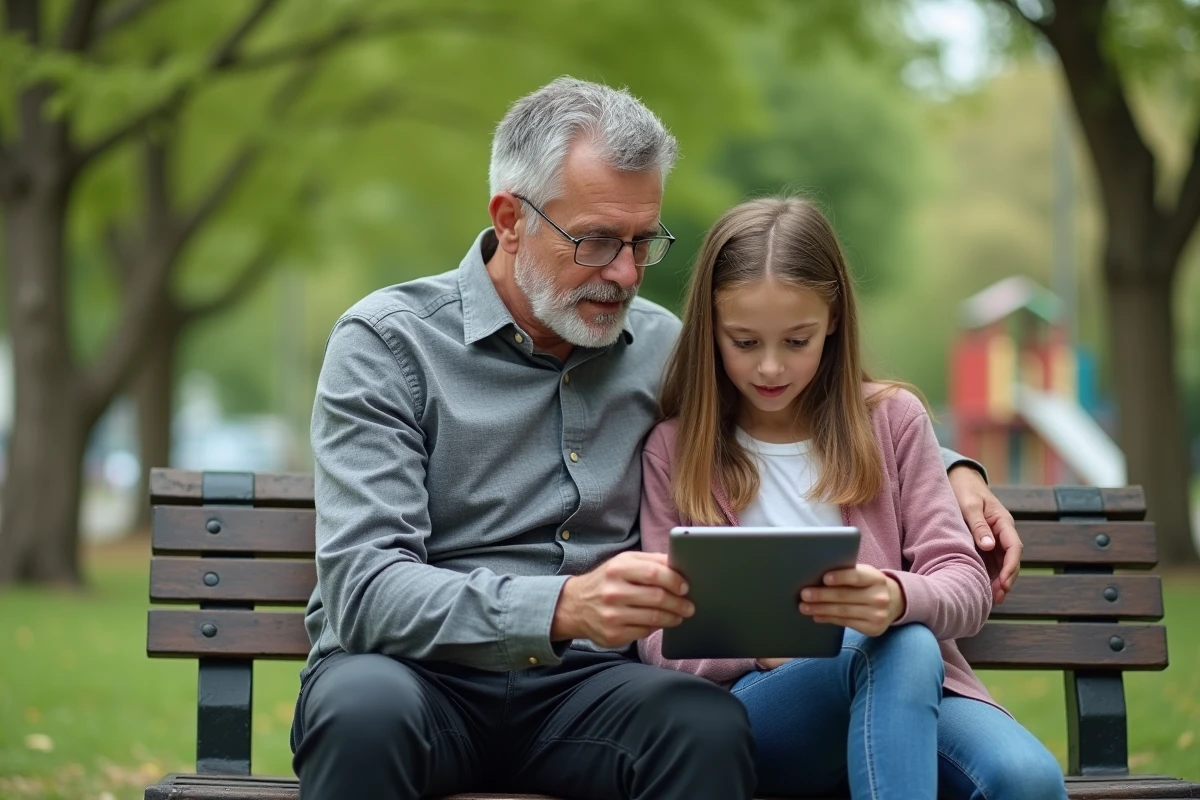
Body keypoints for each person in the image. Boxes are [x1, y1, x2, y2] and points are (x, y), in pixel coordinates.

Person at [292, 77, 1023, 800]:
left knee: (701, 728)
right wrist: (560, 608)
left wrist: (955, 468)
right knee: (362, 714)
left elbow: (806, 401)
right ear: (510, 219)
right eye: (597, 241)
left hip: (584, 688)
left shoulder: (661, 346)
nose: (625, 273)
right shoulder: (388, 345)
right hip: (416, 675)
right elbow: (363, 587)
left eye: (645, 241)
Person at [637, 196, 1066, 800]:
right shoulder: (675, 450)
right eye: (743, 341)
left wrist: (893, 594)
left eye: (796, 340)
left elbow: (965, 584)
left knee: (1027, 780)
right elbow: (656, 639)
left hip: (911, 691)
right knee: (896, 642)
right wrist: (765, 652)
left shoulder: (892, 421)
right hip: (755, 712)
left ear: (833, 319)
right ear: (710, 328)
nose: (768, 367)